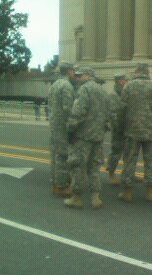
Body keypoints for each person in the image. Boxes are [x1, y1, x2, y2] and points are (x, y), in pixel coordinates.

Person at [119, 62, 152, 202]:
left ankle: (127, 192)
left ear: (137, 71)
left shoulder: (128, 86)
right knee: (150, 160)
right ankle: (150, 192)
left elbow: (122, 109)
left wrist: (122, 126)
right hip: (150, 130)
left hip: (132, 130)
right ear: (147, 71)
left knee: (130, 160)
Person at [65, 67, 110, 209]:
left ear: (88, 75)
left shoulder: (84, 89)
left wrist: (70, 130)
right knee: (94, 167)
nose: (77, 78)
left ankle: (76, 197)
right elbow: (108, 114)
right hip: (97, 136)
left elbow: (78, 112)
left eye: (80, 75)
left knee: (77, 165)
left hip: (83, 135)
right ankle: (95, 197)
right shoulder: (102, 91)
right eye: (76, 76)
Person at [48, 62, 75, 196]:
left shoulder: (54, 85)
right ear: (69, 71)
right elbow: (68, 109)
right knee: (63, 155)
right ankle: (61, 186)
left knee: (55, 154)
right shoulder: (66, 86)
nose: (74, 73)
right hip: (62, 126)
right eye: (73, 70)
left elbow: (49, 106)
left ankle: (55, 181)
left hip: (54, 124)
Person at [106, 73, 129, 185]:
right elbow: (113, 114)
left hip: (128, 128)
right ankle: (111, 174)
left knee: (128, 153)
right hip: (118, 129)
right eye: (125, 80)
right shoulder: (113, 95)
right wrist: (118, 128)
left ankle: (127, 174)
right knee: (116, 152)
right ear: (119, 81)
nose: (127, 82)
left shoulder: (125, 93)